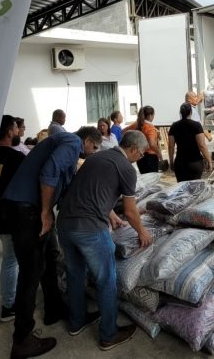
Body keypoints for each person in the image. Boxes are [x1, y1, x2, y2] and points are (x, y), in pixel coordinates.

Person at [1, 126, 103, 358]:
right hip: (26, 210)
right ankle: (22, 339)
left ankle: (53, 309)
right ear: (87, 140)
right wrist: (46, 213)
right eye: (94, 148)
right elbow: (49, 172)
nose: (92, 153)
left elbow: (66, 189)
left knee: (49, 257)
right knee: (31, 271)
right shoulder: (71, 142)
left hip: (28, 209)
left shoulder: (69, 150)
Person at [57, 130, 152, 351]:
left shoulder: (96, 157)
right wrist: (142, 232)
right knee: (106, 280)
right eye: (142, 153)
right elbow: (131, 210)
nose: (142, 156)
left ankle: (76, 321)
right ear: (133, 149)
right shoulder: (127, 169)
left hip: (64, 224)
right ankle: (109, 335)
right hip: (90, 229)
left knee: (75, 273)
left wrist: (111, 215)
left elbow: (91, 192)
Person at [0, 115, 25, 323]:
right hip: (13, 216)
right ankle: (9, 305)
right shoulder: (15, 158)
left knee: (10, 259)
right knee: (12, 260)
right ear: (10, 131)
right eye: (16, 128)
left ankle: (10, 299)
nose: (18, 131)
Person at [168, 103, 212, 181]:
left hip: (180, 162)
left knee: (182, 189)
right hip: (195, 162)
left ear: (180, 112)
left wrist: (171, 161)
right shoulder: (196, 125)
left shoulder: (174, 126)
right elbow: (201, 145)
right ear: (191, 112)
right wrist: (209, 160)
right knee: (194, 189)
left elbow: (171, 146)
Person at [125, 105, 161, 174]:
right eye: (153, 115)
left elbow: (123, 132)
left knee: (145, 179)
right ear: (150, 115)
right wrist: (159, 153)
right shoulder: (150, 128)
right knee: (151, 180)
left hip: (140, 156)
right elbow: (152, 144)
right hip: (150, 157)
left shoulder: (137, 124)